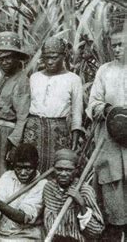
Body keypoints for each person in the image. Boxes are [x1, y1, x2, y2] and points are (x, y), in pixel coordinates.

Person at [86, 29, 126, 239]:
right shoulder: (105, 71)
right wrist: (107, 109)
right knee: (112, 183)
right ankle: (114, 228)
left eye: (122, 44)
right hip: (110, 140)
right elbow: (93, 102)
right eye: (114, 45)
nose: (117, 49)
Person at [22, 37, 84, 172]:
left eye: (54, 57)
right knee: (31, 166)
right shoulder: (34, 77)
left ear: (64, 56)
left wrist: (75, 135)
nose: (49, 62)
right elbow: (25, 108)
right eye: (46, 57)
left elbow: (77, 111)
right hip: (33, 129)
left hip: (59, 131)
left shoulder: (73, 79)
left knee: (57, 168)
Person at [0, 31, 30, 180]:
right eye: (1, 59)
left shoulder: (21, 80)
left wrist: (14, 142)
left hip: (6, 134)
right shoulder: (1, 79)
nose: (5, 62)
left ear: (17, 59)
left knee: (2, 170)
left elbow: (22, 116)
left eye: (8, 58)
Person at [0, 144, 47, 241]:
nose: (22, 173)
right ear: (13, 165)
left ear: (36, 164)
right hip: (2, 233)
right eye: (18, 168)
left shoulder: (42, 184)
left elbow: (22, 218)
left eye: (28, 168)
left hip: (27, 235)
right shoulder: (7, 176)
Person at [42, 149, 104, 241]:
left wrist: (82, 205)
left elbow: (96, 231)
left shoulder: (85, 191)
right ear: (53, 168)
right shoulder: (49, 188)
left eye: (68, 170)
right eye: (59, 169)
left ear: (76, 170)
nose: (63, 174)